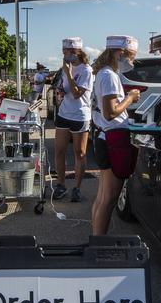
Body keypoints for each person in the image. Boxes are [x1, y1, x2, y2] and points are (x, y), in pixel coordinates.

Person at [89, 35, 142, 236]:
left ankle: (96, 239)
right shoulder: (109, 76)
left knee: (103, 197)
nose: (133, 61)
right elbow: (110, 113)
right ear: (120, 53)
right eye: (132, 56)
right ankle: (98, 243)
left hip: (104, 137)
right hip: (111, 138)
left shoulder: (104, 74)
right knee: (109, 198)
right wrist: (130, 97)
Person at [52, 37, 93, 202]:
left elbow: (77, 94)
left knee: (80, 153)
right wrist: (59, 90)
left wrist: (69, 73)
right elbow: (65, 89)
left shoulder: (86, 71)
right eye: (63, 52)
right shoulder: (65, 68)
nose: (65, 55)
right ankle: (61, 184)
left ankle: (77, 187)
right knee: (59, 151)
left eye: (68, 52)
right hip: (64, 113)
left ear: (77, 52)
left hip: (80, 115)